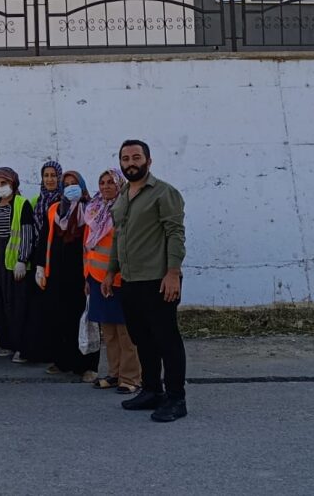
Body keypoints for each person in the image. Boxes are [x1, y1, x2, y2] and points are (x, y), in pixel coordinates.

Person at [102, 139, 187, 423]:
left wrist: (173, 273)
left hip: (158, 280)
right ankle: (152, 390)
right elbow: (118, 237)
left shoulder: (164, 193)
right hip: (130, 280)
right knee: (143, 339)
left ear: (148, 161)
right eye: (125, 159)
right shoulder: (124, 195)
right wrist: (110, 272)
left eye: (136, 157)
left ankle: (176, 398)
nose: (131, 163)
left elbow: (175, 233)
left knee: (166, 340)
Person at [34, 170, 99, 382]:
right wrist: (40, 267)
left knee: (83, 319)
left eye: (74, 183)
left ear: (82, 186)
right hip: (57, 273)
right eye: (67, 184)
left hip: (81, 273)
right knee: (59, 317)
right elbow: (44, 239)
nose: (70, 187)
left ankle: (88, 365)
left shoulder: (91, 210)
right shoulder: (54, 210)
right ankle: (63, 360)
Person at [82, 169, 141, 394]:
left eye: (111, 182)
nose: (106, 186)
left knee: (126, 332)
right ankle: (114, 373)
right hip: (96, 279)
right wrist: (86, 277)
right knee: (108, 332)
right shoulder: (94, 211)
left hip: (119, 279)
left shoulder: (125, 210)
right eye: (102, 182)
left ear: (120, 184)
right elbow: (87, 248)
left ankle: (132, 378)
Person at [0, 167, 34, 359]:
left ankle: (22, 346)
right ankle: (6, 343)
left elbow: (27, 233)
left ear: (13, 183)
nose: (1, 187)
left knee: (17, 304)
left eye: (4, 183)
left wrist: (22, 259)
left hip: (13, 263)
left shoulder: (22, 204)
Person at [19, 160, 64, 365]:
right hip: (39, 256)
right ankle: (38, 351)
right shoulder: (38, 200)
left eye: (53, 175)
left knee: (55, 306)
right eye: (46, 175)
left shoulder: (65, 200)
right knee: (37, 306)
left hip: (59, 258)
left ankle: (56, 352)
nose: (50, 179)